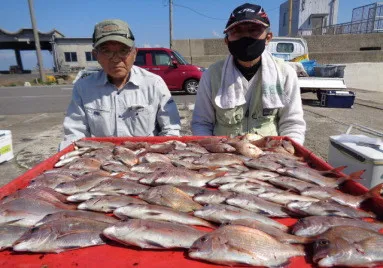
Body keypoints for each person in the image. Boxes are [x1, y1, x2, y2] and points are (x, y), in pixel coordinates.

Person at [191, 3, 306, 144]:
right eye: (237, 31)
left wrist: (286, 154)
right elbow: (202, 124)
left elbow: (292, 124)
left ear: (268, 37)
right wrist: (212, 154)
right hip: (225, 156)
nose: (246, 37)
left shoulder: (285, 73)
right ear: (227, 40)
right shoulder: (212, 75)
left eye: (254, 30)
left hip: (268, 156)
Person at [59, 19, 181, 150]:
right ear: (96, 55)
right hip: (103, 161)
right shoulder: (84, 88)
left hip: (146, 159)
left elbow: (171, 130)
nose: (116, 58)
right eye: (106, 51)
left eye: (123, 50)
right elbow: (75, 134)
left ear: (134, 53)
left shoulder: (154, 84)